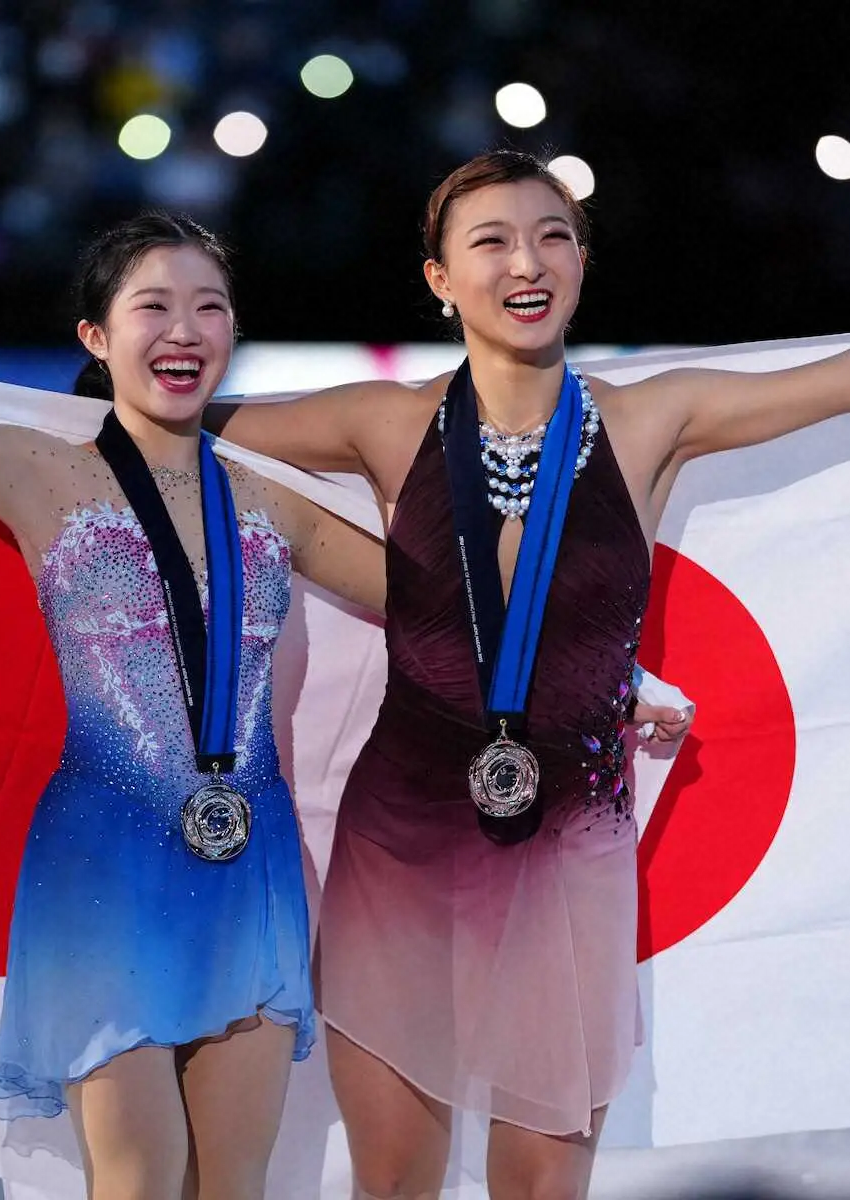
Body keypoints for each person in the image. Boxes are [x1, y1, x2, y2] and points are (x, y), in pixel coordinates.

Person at [206, 148, 850, 1200]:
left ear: (584, 263)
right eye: (492, 241)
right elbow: (167, 428)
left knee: (544, 1190)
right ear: (439, 277)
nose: (528, 261)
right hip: (400, 845)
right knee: (396, 1185)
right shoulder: (385, 420)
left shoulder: (653, 416)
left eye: (554, 236)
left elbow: (834, 383)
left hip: (570, 853)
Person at [0, 212, 386, 1200]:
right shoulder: (37, 472)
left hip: (251, 865)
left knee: (237, 1186)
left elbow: (444, 616)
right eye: (153, 306)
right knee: (137, 1183)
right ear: (95, 336)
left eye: (209, 307)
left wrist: (621, 678)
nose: (185, 329)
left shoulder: (269, 497)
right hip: (103, 869)